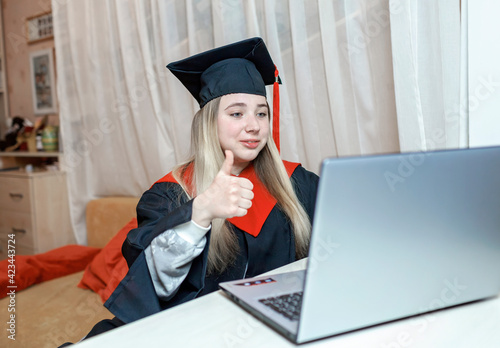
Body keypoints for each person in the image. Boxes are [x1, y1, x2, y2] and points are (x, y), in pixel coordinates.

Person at [65, 37, 319, 344]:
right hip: (189, 331)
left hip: (272, 327)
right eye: (237, 113)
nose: (253, 125)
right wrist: (200, 212)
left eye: (261, 113)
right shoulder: (169, 196)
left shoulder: (295, 182)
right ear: (209, 122)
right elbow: (156, 286)